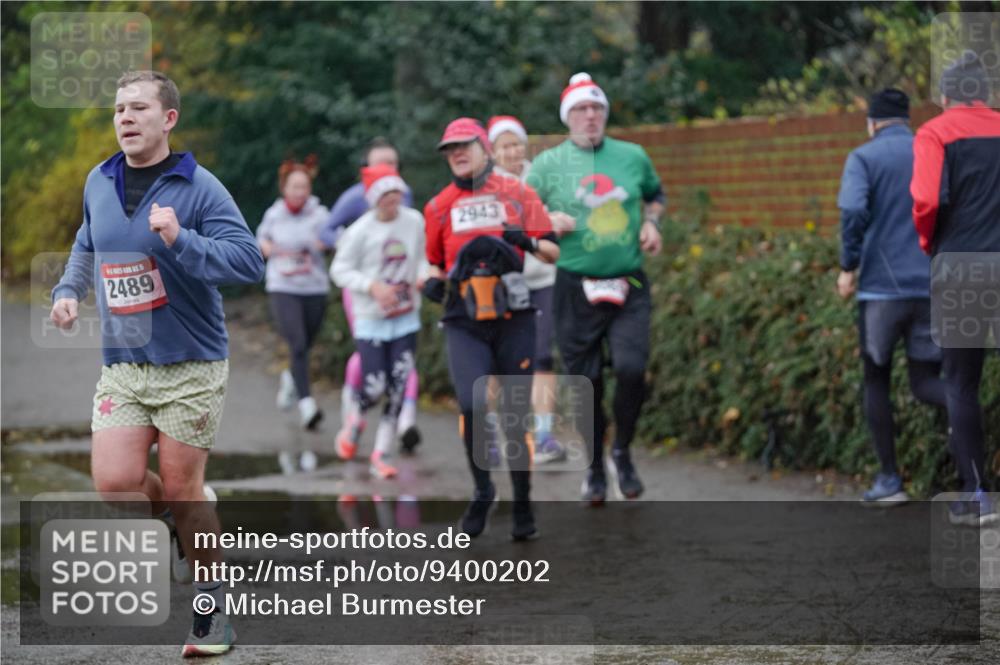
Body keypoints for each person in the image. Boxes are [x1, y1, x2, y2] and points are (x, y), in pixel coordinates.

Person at [49, 70, 264, 656]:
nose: (125, 118)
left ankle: (213, 612)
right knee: (117, 486)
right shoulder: (100, 180)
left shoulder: (199, 188)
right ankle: (186, 512)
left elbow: (248, 263)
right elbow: (85, 242)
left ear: (168, 119)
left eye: (139, 108)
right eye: (119, 109)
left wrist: (182, 241)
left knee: (181, 486)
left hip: (190, 362)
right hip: (124, 364)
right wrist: (68, 292)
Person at [526, 73, 665, 506]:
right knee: (585, 384)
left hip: (629, 282)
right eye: (582, 110)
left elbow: (655, 195)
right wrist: (548, 221)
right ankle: (593, 468)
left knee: (630, 368)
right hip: (573, 286)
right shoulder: (549, 164)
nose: (591, 116)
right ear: (568, 117)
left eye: (597, 109)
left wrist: (651, 222)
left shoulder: (632, 155)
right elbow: (521, 216)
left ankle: (621, 450)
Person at [422, 118, 559, 540]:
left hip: (514, 315)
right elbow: (433, 263)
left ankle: (522, 499)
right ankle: (483, 489)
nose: (457, 154)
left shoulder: (517, 193)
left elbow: (554, 251)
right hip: (464, 318)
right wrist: (430, 282)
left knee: (515, 413)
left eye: (465, 146)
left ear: (485, 148)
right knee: (472, 404)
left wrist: (529, 241)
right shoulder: (438, 207)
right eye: (450, 149)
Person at [837, 88, 948, 506]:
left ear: (871, 122)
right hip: (932, 286)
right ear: (908, 119)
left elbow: (852, 211)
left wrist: (848, 265)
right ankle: (969, 424)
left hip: (881, 291)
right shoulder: (933, 152)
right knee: (926, 383)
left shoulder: (863, 158)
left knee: (876, 381)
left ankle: (889, 480)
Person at [911, 50, 1000, 526]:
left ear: (946, 97)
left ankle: (977, 494)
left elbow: (925, 197)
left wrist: (930, 241)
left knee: (962, 382)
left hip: (961, 268)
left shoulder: (937, 131)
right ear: (986, 95)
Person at [319, 138, 423, 454]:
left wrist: (424, 274)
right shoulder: (359, 229)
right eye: (386, 196)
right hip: (370, 316)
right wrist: (371, 286)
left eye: (398, 194)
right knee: (375, 384)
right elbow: (339, 269)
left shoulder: (414, 220)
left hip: (406, 315)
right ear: (374, 198)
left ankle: (382, 451)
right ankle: (355, 421)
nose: (394, 201)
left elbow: (423, 256)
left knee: (398, 385)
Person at [488, 115, 565, 463]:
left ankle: (545, 434)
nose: (513, 151)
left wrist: (558, 222)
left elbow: (564, 214)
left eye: (517, 143)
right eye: (504, 146)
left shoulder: (542, 178)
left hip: (544, 278)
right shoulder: (486, 186)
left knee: (542, 356)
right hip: (503, 283)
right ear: (492, 151)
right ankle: (492, 433)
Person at [256, 156, 330, 472]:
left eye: (304, 186)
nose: (300, 191)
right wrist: (267, 248)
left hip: (314, 287)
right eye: (294, 186)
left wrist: (323, 242)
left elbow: (335, 237)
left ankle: (290, 378)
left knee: (305, 346)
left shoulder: (320, 213)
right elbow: (260, 239)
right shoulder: (274, 214)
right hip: (283, 287)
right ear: (284, 188)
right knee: (297, 344)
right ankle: (308, 406)